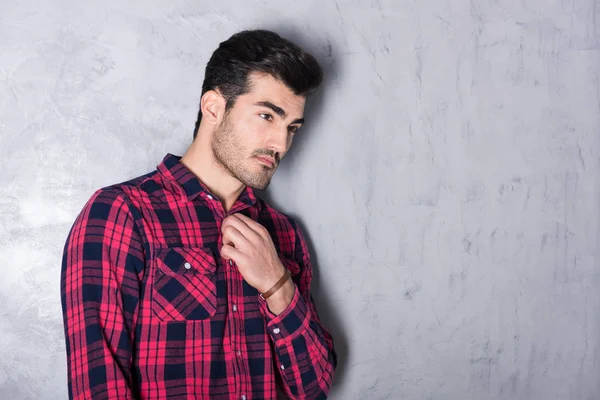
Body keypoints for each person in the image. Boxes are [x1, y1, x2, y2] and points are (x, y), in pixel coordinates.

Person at [60, 29, 337, 400]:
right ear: (213, 107)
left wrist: (277, 284)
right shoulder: (121, 214)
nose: (281, 144)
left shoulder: (283, 234)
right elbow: (98, 384)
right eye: (267, 116)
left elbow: (314, 387)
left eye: (292, 128)